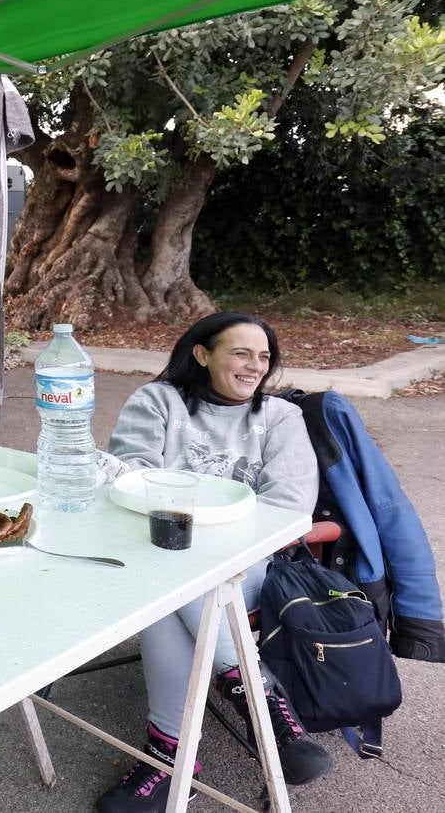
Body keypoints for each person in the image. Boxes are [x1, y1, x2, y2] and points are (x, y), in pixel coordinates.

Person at [95, 312, 333, 812]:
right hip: (160, 554)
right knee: (173, 586)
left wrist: (192, 525)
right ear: (202, 354)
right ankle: (257, 695)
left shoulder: (280, 418)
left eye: (264, 356)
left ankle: (166, 757)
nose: (255, 367)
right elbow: (131, 479)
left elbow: (288, 506)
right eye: (241, 353)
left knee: (170, 595)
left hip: (245, 566)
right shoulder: (159, 401)